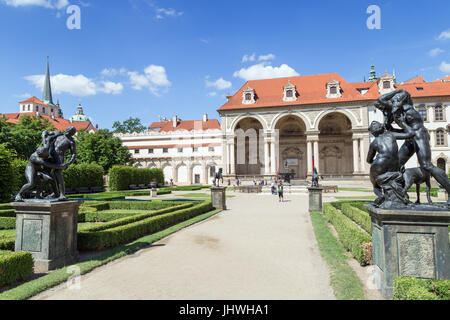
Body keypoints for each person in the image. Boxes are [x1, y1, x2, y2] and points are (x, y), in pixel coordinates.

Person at [376, 90, 450, 206]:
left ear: (399, 100)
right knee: (396, 164)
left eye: (395, 100)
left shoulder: (407, 109)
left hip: (420, 136)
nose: (384, 109)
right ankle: (397, 197)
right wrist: (391, 128)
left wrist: (399, 91)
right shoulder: (398, 111)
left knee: (426, 165)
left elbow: (381, 99)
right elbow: (406, 131)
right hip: (410, 139)